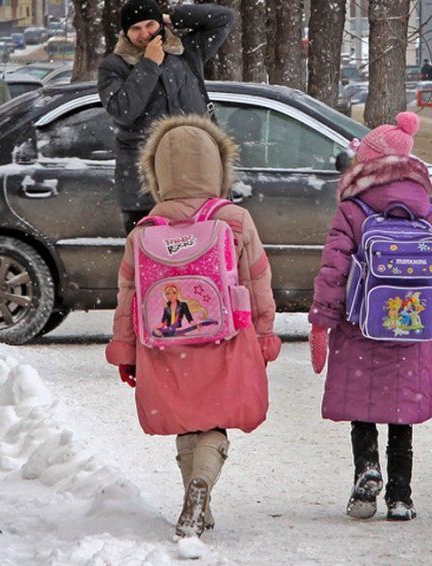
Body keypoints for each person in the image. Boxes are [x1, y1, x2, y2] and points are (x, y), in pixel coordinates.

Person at [104, 114, 281, 538]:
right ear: (218, 167)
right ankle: (202, 486)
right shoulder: (235, 219)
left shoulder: (146, 228)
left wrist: (125, 349)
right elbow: (258, 280)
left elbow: (128, 295)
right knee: (214, 421)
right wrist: (264, 336)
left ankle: (194, 498)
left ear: (158, 172)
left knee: (187, 419)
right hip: (226, 336)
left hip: (166, 343)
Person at [308, 112, 432, 522]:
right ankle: (400, 498)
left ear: (372, 164)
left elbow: (333, 270)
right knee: (401, 418)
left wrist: (322, 321)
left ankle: (366, 474)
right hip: (412, 330)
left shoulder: (352, 210)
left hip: (360, 325)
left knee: (363, 407)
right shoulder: (428, 213)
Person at [97, 0, 235, 234]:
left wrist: (175, 18)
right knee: (153, 262)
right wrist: (149, 63)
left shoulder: (186, 52)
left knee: (202, 258)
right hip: (146, 192)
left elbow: (225, 18)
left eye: (150, 24)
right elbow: (123, 110)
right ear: (126, 33)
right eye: (136, 29)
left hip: (198, 180)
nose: (145, 34)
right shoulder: (113, 67)